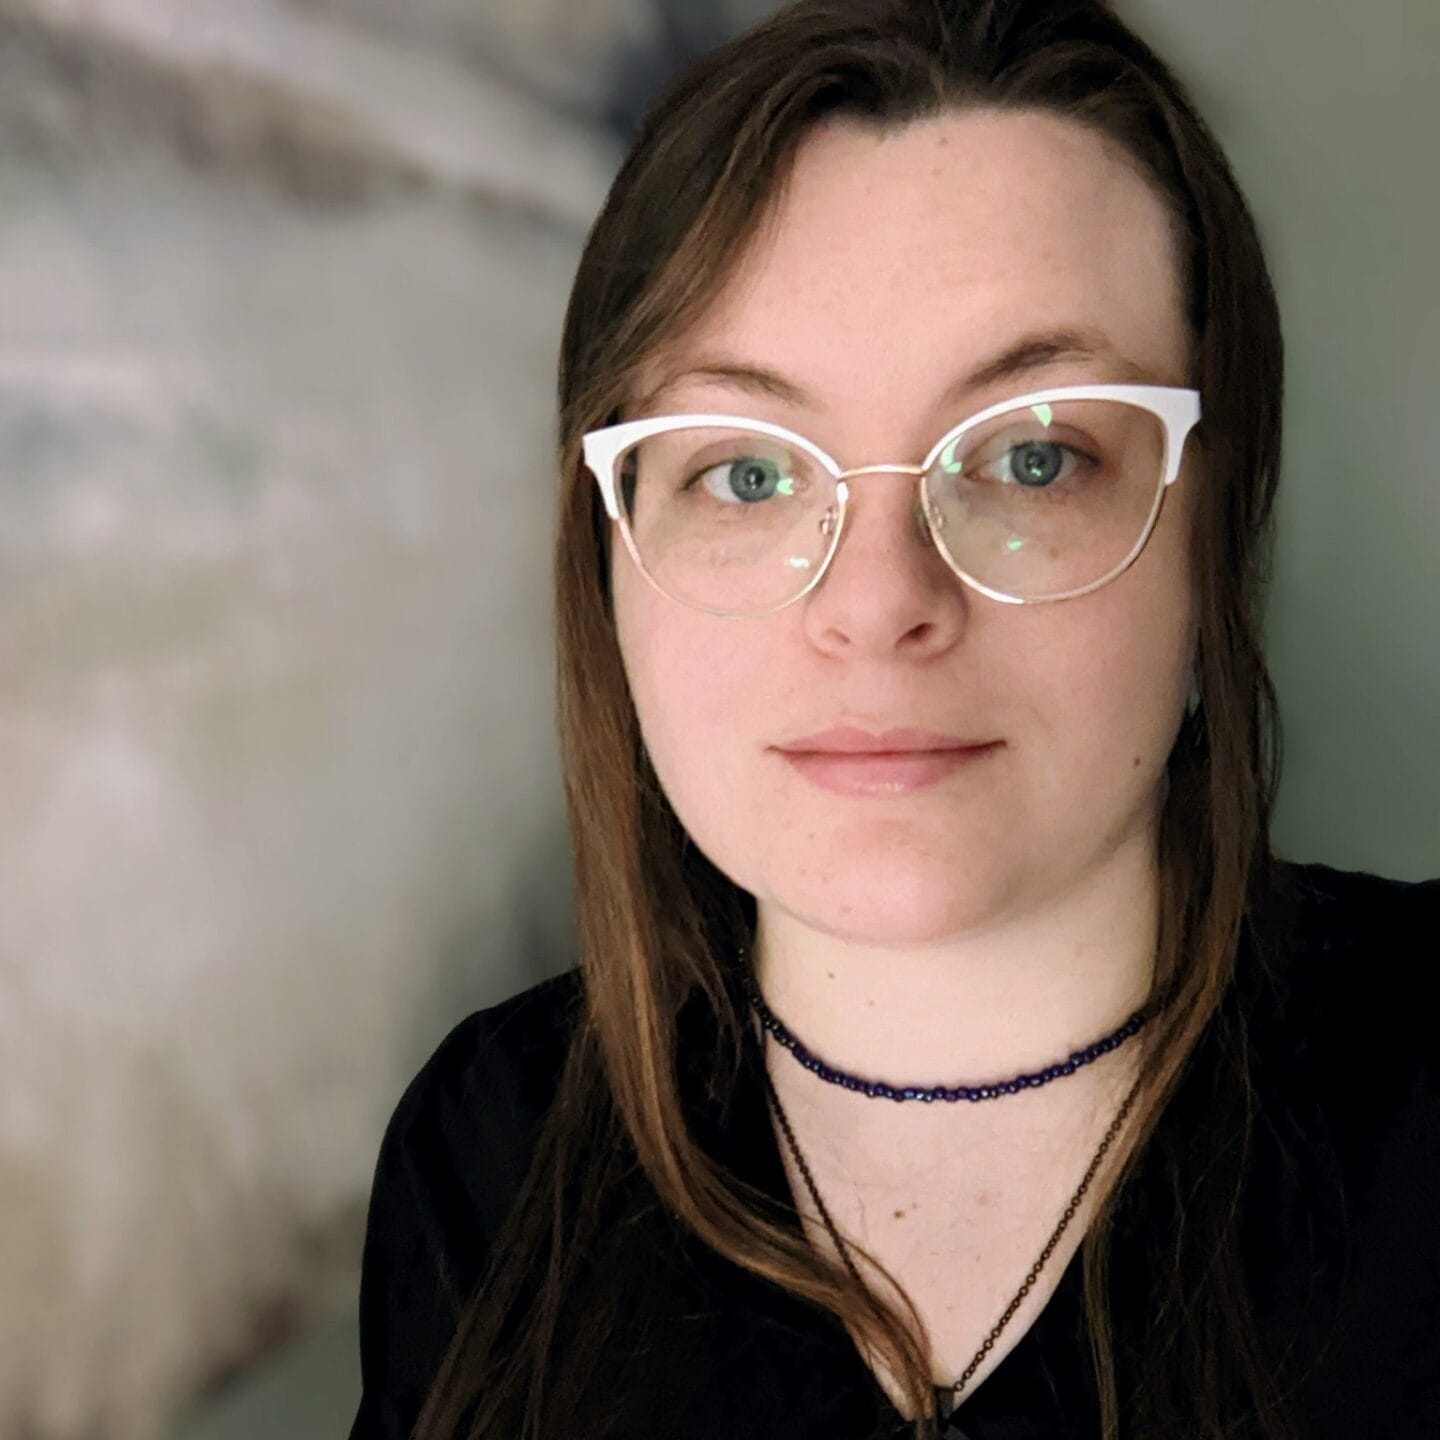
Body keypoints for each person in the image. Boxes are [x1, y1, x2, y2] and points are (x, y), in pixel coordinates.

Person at [345, 3, 1440, 1438]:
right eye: (746, 474)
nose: (878, 604)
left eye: (1035, 456)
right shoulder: (489, 1150)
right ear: (605, 554)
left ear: (1213, 520)